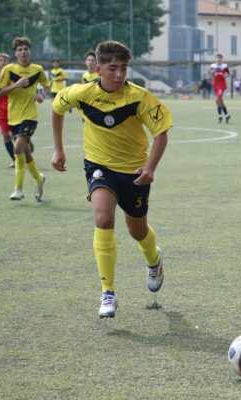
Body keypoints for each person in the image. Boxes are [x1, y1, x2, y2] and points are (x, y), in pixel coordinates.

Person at [51, 40, 173, 318]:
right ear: (98, 67)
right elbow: (57, 108)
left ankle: (154, 260)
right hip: (99, 166)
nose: (119, 75)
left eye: (124, 68)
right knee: (103, 217)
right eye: (113, 68)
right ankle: (108, 293)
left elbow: (161, 132)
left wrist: (150, 167)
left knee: (137, 231)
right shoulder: (81, 93)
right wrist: (59, 148)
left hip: (134, 172)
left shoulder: (139, 97)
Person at [0, 36, 48, 201]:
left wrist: (41, 95)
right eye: (20, 49)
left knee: (17, 149)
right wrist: (16, 85)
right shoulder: (9, 70)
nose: (23, 52)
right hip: (13, 117)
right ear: (15, 53)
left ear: (30, 51)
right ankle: (39, 179)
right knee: (25, 151)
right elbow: (0, 92)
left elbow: (46, 85)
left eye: (26, 49)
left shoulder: (38, 69)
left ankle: (18, 189)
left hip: (30, 117)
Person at [0, 53, 15, 167]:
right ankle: (15, 159)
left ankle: (27, 144)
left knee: (14, 135)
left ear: (8, 62)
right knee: (6, 135)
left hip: (14, 107)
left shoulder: (13, 74)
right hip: (1, 108)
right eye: (0, 60)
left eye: (5, 60)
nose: (3, 62)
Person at [210, 53, 231, 123]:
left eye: (220, 58)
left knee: (217, 100)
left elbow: (228, 73)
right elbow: (210, 72)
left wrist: (225, 76)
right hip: (215, 84)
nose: (218, 59)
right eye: (217, 58)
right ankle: (227, 114)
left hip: (221, 85)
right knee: (220, 101)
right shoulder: (213, 66)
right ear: (216, 59)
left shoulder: (224, 66)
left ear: (222, 59)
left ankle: (220, 115)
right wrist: (213, 73)